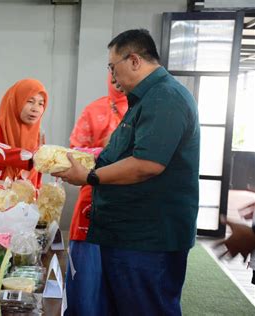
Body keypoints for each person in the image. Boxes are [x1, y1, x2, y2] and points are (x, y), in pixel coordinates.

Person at [53, 29, 200, 315]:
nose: (112, 78)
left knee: (146, 307)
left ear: (133, 60)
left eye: (113, 67)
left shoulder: (164, 98)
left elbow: (147, 164)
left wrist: (89, 177)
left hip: (147, 239)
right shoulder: (145, 99)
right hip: (127, 234)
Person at [65, 74, 127, 316]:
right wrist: (106, 153)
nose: (116, 77)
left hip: (134, 212)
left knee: (124, 289)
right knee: (87, 287)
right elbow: (71, 156)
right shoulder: (95, 110)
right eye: (112, 69)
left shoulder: (149, 111)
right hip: (93, 207)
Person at [0, 78, 48, 188]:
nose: (36, 109)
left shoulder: (38, 134)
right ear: (16, 101)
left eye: (41, 104)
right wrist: (28, 157)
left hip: (24, 200)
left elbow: (37, 173)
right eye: (30, 101)